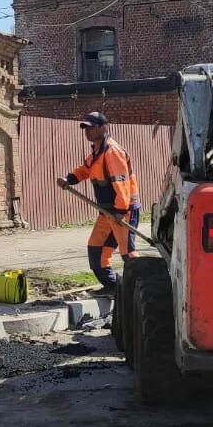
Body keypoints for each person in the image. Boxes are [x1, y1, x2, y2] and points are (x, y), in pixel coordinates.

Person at [56, 112, 140, 294]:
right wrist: (69, 179)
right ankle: (113, 287)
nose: (87, 131)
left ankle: (142, 290)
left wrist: (120, 210)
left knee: (128, 254)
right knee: (96, 249)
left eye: (91, 127)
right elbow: (85, 170)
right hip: (107, 211)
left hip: (122, 211)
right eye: (85, 128)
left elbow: (122, 184)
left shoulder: (112, 152)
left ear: (104, 127)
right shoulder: (96, 152)